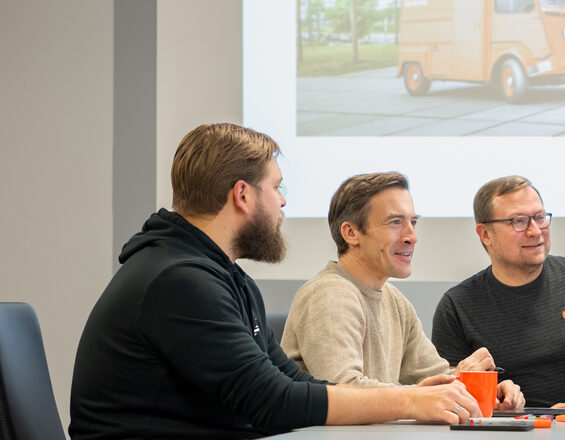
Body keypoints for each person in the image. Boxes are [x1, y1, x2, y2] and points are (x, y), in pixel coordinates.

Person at [70, 124, 481, 440]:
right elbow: (272, 403)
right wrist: (407, 399)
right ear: (243, 195)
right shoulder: (177, 281)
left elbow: (293, 382)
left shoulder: (225, 277)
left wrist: (407, 397)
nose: (283, 201)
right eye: (277, 187)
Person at [280, 172, 523, 408]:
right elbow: (343, 392)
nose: (412, 236)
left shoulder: (394, 299)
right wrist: (426, 395)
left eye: (413, 222)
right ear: (351, 233)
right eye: (396, 222)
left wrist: (482, 388)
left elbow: (433, 375)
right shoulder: (329, 295)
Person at [432, 176, 565, 408]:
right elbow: (454, 394)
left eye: (539, 217)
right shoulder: (457, 306)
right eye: (518, 221)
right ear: (485, 234)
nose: (535, 231)